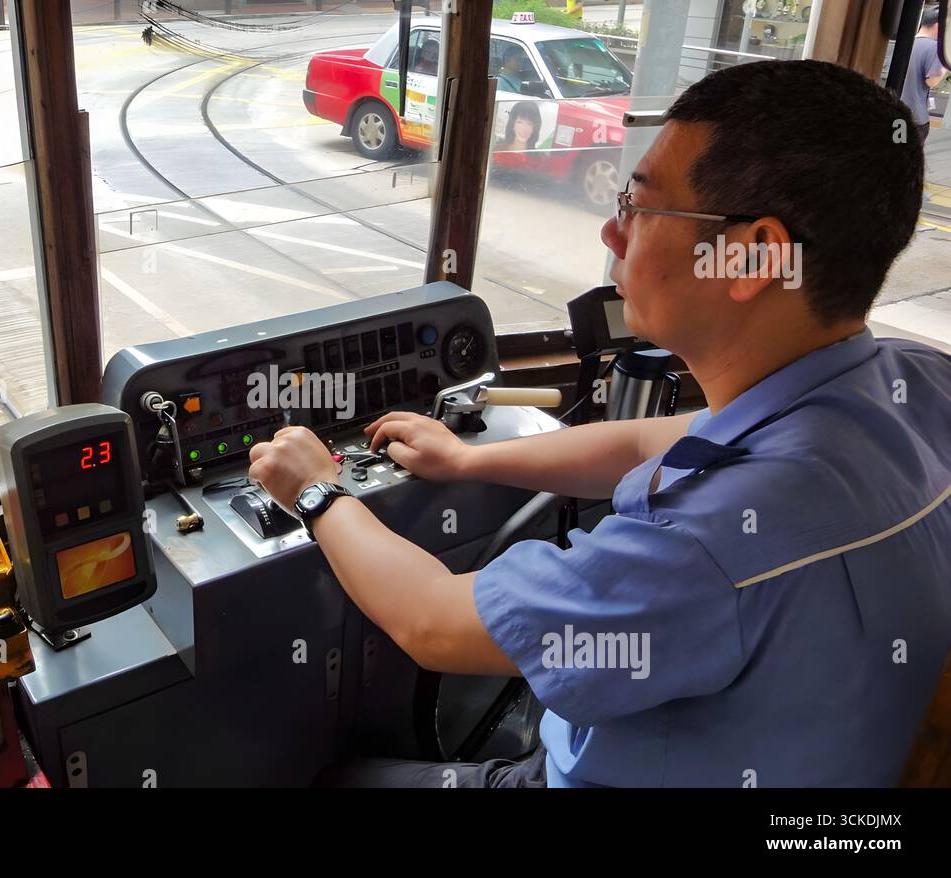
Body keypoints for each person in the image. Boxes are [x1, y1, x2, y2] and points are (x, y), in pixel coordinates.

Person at [249, 60, 951, 788]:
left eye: (641, 207)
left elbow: (435, 624)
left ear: (751, 255)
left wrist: (317, 492)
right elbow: (652, 440)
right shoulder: (913, 384)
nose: (613, 232)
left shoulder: (709, 542)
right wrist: (467, 461)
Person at [900, 7, 947, 145]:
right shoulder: (935, 48)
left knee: (895, 151)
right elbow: (932, 81)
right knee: (908, 158)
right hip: (915, 118)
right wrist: (945, 65)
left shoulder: (907, 43)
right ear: (939, 26)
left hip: (896, 113)